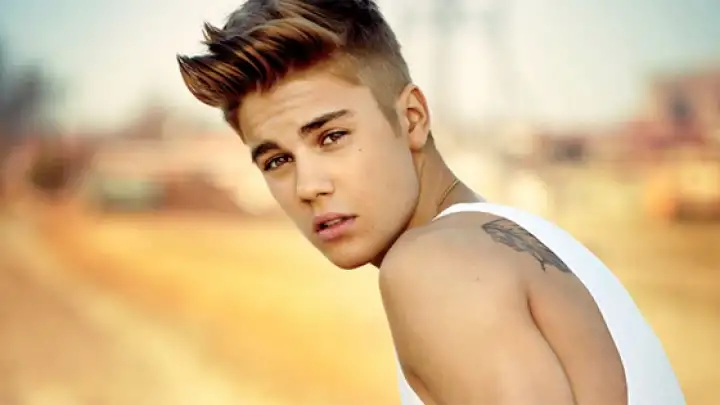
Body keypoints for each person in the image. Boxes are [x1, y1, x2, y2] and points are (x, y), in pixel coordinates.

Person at [176, 1, 685, 404]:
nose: (308, 186)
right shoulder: (532, 242)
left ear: (413, 118)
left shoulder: (433, 265)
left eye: (331, 137)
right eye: (276, 160)